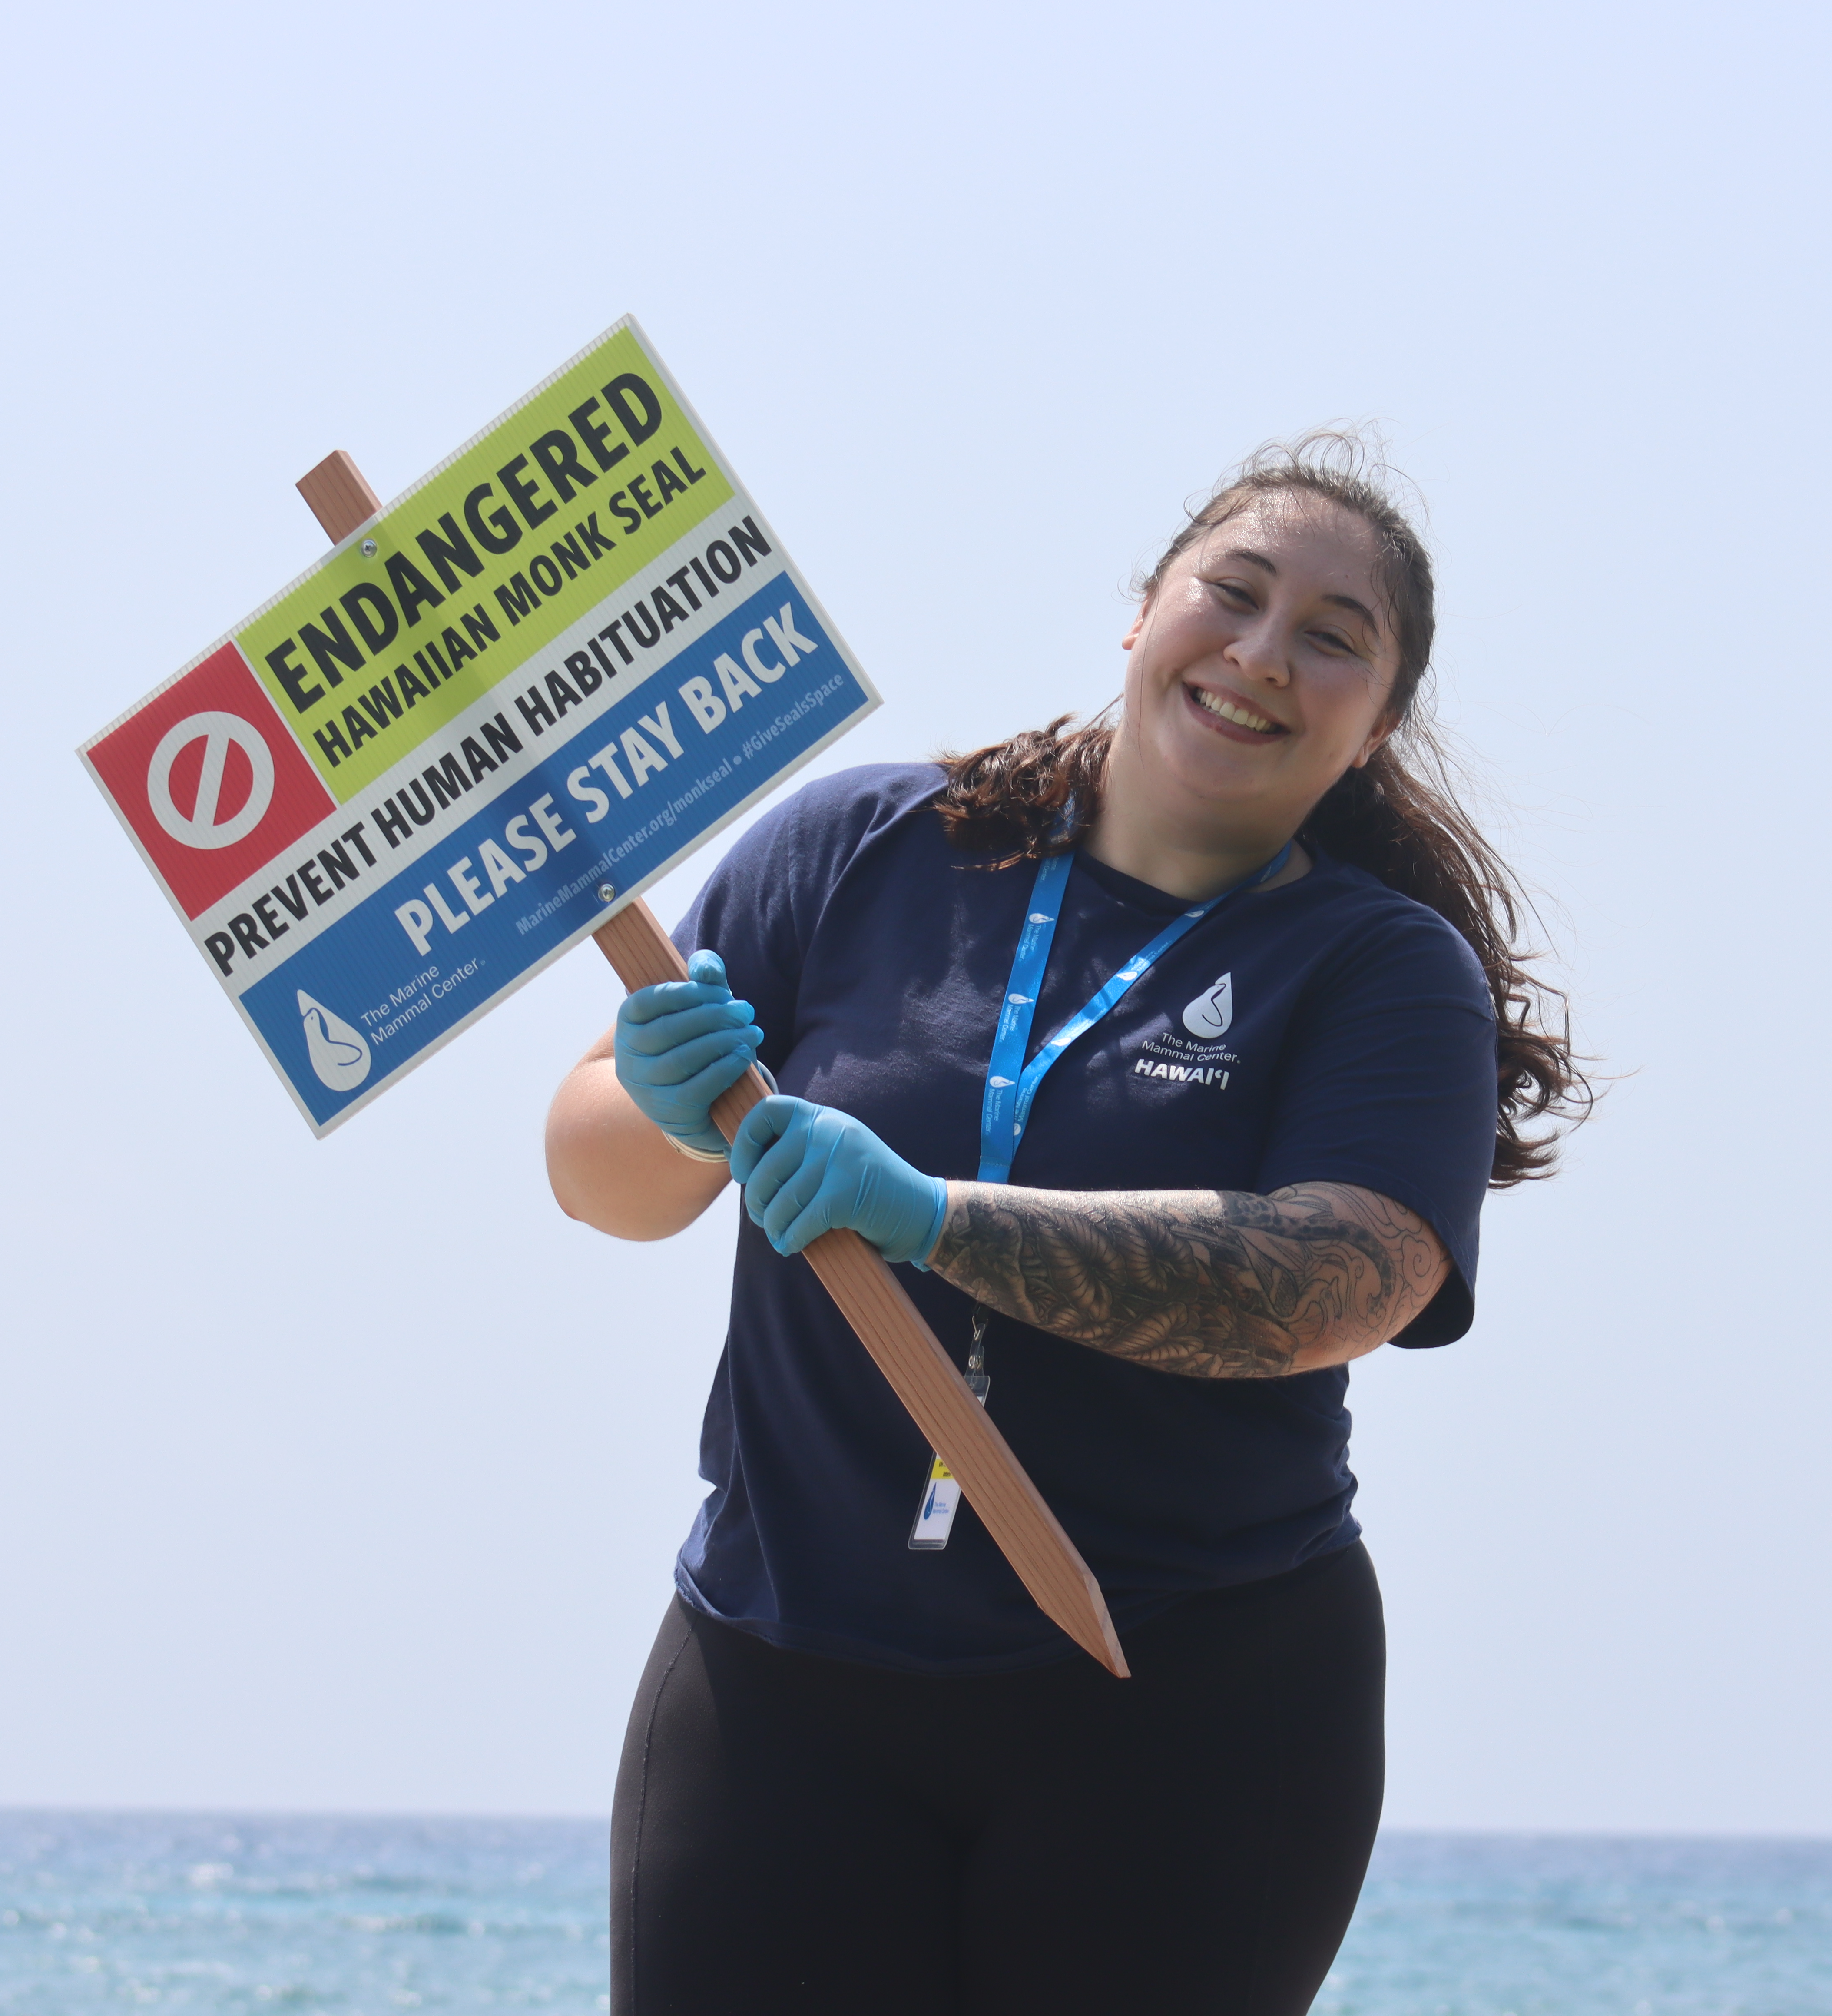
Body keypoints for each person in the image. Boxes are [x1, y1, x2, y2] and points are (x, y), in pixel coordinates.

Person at [543, 434, 1587, 2015]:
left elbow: (1327, 1280)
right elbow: (599, 1180)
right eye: (1229, 596)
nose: (1259, 654)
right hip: (781, 1665)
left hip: (1191, 1699)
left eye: (1331, 637)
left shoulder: (1383, 969)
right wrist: (667, 1108)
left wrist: (935, 1218)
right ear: (1139, 615)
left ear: (1378, 727)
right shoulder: (859, 846)